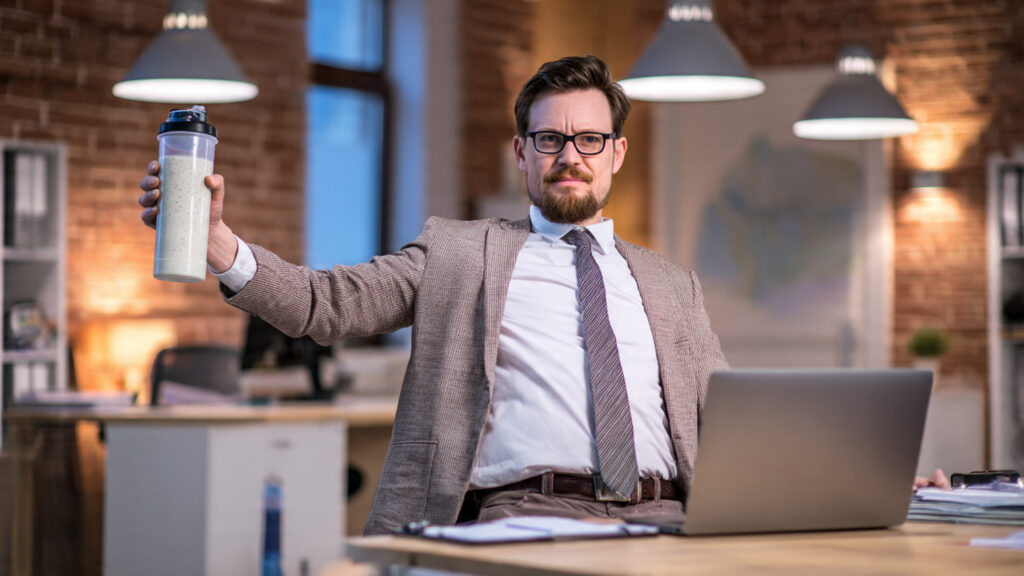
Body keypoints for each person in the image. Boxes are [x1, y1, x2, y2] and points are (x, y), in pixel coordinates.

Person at [139, 55, 940, 535]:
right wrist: (221, 247)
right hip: (527, 519)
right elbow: (327, 304)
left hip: (672, 520)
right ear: (522, 152)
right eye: (550, 139)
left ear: (615, 153)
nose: (569, 157)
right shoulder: (460, 252)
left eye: (588, 139)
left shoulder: (671, 284)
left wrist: (859, 474)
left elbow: (732, 420)